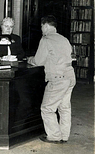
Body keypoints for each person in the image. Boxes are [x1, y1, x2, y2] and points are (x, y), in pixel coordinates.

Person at [27, 15, 76, 144]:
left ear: (46, 26)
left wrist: (29, 59)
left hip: (58, 78)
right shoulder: (64, 39)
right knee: (64, 107)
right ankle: (64, 135)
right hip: (70, 76)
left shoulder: (46, 39)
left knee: (47, 108)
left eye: (42, 26)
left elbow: (38, 61)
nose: (42, 29)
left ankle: (54, 136)